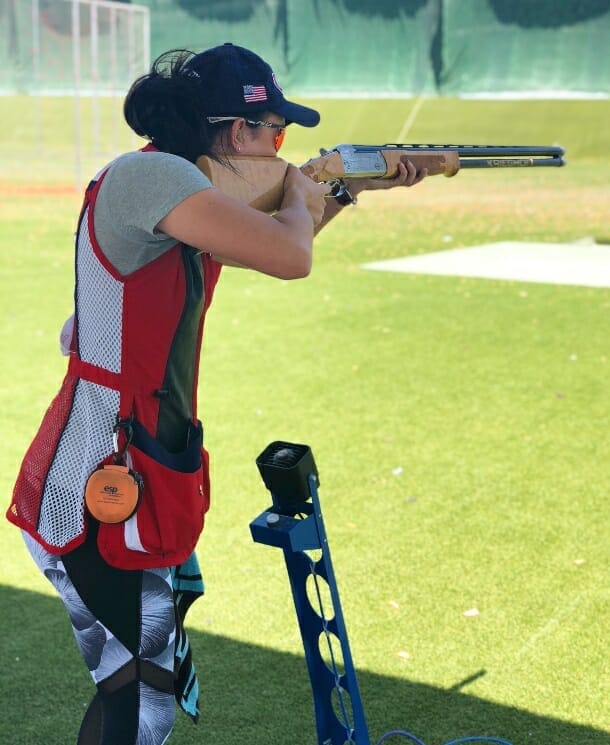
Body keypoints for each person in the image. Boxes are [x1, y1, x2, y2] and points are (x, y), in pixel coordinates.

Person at [6, 42, 426, 744]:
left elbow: (267, 238)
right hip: (98, 482)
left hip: (132, 465)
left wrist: (342, 189)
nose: (282, 150)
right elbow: (290, 252)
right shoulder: (152, 179)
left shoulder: (177, 189)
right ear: (238, 131)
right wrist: (301, 190)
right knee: (142, 693)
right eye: (276, 135)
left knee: (133, 679)